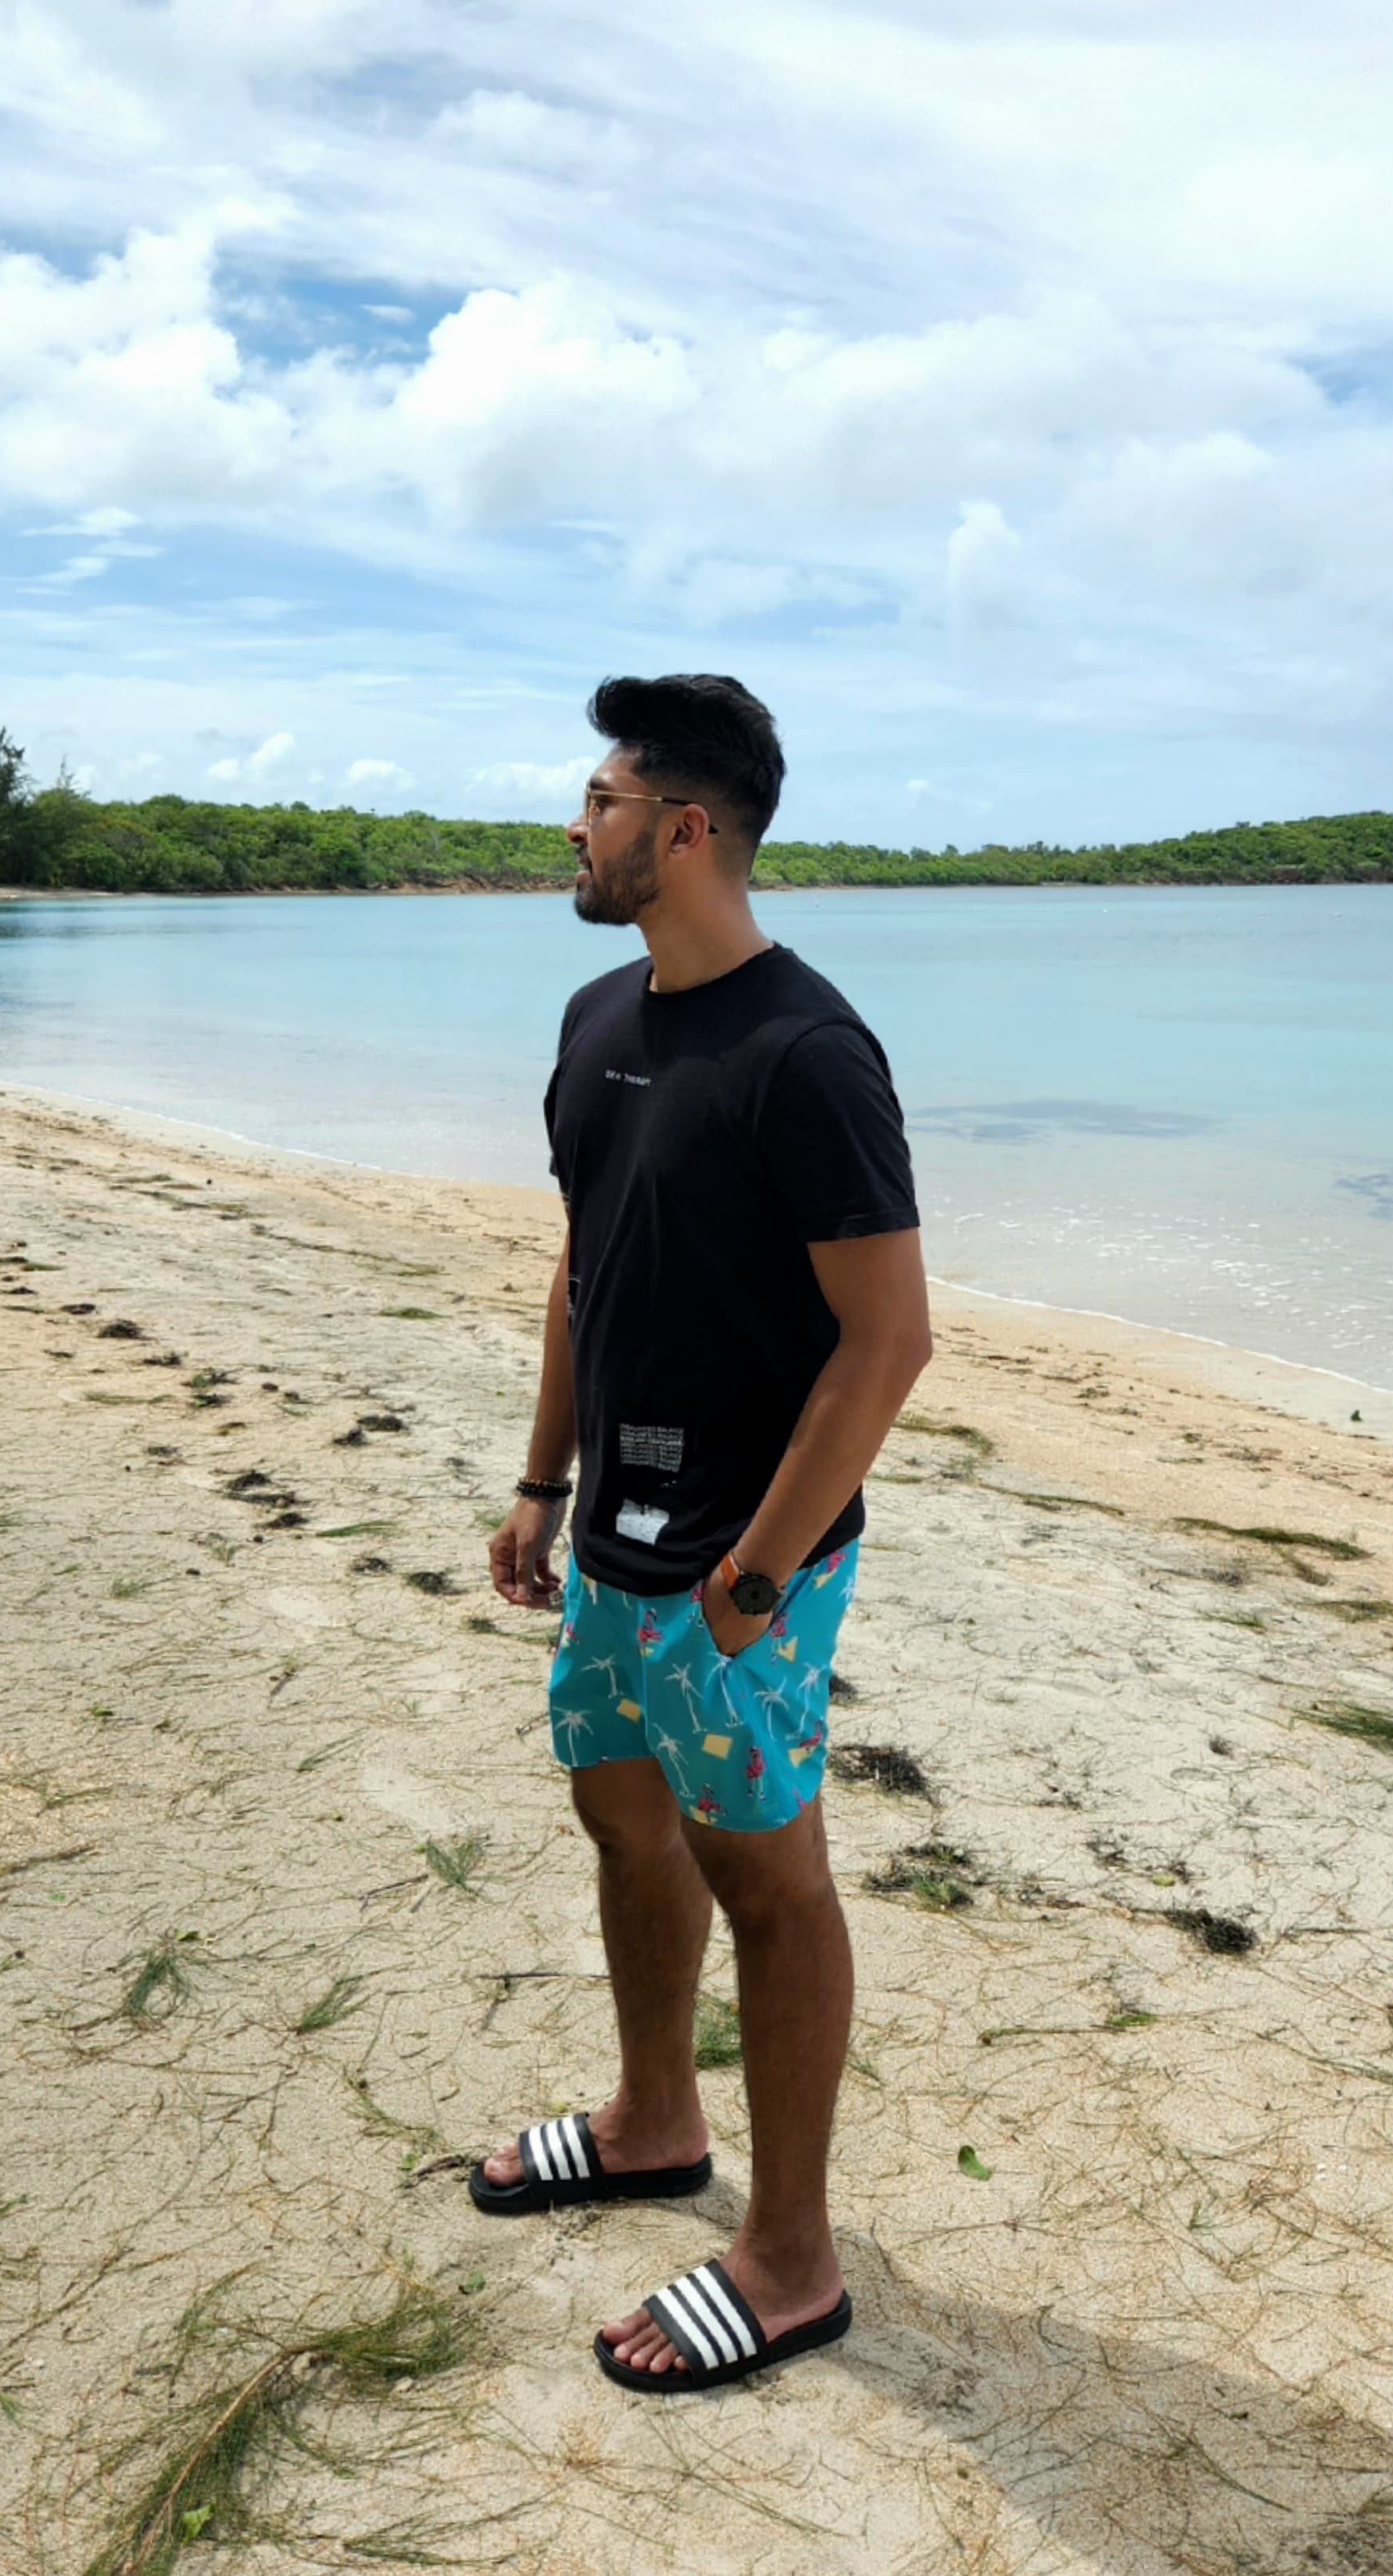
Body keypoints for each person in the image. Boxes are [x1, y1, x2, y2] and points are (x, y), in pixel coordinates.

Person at [474, 673, 932, 2396]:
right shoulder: (598, 1018)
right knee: (618, 1816)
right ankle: (655, 2118)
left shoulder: (805, 1051)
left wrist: (754, 1578)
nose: (571, 829)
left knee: (770, 1877)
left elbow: (886, 1342)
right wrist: (540, 1483)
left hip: (752, 1568)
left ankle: (792, 2260)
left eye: (596, 801)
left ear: (682, 828)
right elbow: (585, 1274)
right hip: (611, 1544)